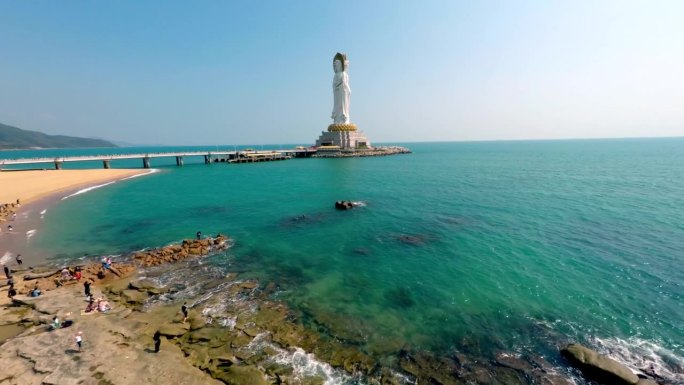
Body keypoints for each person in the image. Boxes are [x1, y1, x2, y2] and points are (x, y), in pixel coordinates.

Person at [331, 53, 351, 124]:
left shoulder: (344, 74)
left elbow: (345, 84)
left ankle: (344, 118)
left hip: (343, 93)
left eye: (338, 65)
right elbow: (334, 85)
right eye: (335, 66)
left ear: (341, 65)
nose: (337, 67)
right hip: (337, 93)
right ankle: (337, 119)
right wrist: (336, 87)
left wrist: (348, 89)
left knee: (344, 106)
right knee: (338, 105)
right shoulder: (336, 75)